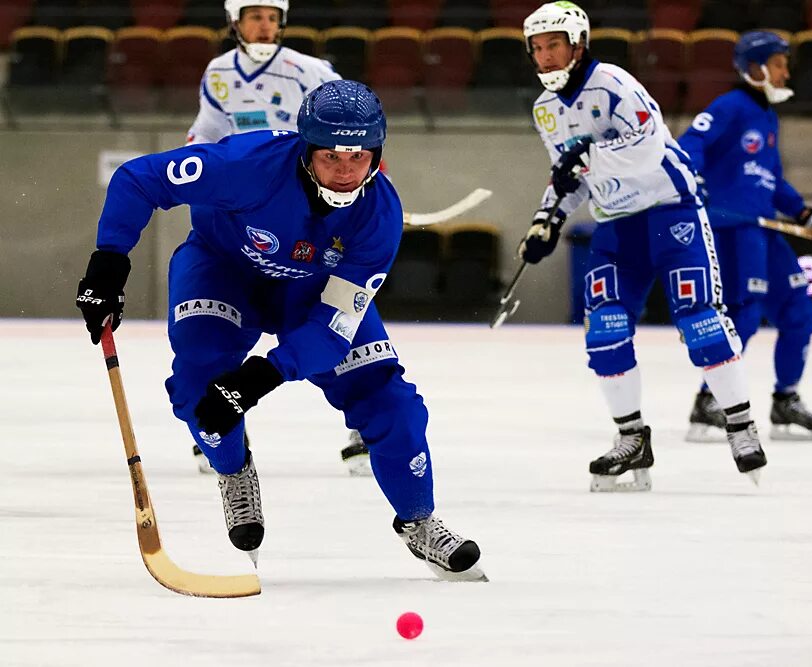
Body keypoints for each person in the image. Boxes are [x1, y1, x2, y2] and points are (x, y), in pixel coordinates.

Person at [75, 80, 485, 581]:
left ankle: (420, 520)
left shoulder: (380, 216)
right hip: (223, 270)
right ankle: (233, 469)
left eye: (358, 157)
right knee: (200, 388)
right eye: (330, 156)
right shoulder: (246, 165)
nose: (344, 171)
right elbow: (139, 179)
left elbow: (335, 325)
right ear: (304, 149)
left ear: (378, 154)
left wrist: (263, 376)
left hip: (312, 292)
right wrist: (109, 261)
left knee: (388, 400)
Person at [518, 1, 767, 490]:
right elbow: (570, 177)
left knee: (701, 323)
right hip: (616, 226)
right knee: (604, 330)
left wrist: (585, 153)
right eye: (538, 48)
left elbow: (648, 149)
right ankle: (632, 438)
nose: (546, 56)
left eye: (555, 45)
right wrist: (548, 217)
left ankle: (740, 424)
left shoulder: (612, 83)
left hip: (671, 211)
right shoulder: (546, 110)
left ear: (579, 43)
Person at [185, 0, 373, 477]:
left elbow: (355, 133)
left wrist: (362, 192)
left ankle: (366, 425)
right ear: (234, 22)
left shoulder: (309, 70)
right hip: (245, 213)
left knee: (336, 311)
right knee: (229, 314)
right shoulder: (218, 70)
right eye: (255, 17)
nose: (265, 25)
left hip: (309, 211)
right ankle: (224, 418)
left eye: (272, 17)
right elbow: (207, 131)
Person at [678, 31, 812, 442]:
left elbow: (771, 179)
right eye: (780, 63)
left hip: (765, 229)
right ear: (756, 67)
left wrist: (806, 212)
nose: (787, 72)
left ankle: (785, 401)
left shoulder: (767, 114)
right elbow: (691, 142)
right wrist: (694, 178)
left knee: (800, 312)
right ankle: (708, 401)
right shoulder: (730, 106)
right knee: (744, 316)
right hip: (733, 230)